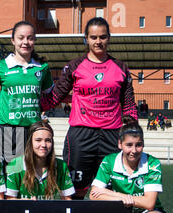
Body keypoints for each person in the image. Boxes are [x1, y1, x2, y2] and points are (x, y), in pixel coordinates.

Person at [41, 17, 138, 200]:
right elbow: (56, 96)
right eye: (93, 37)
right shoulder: (75, 66)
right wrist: (32, 102)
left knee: (111, 192)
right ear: (86, 38)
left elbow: (129, 104)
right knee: (74, 190)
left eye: (102, 37)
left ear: (109, 38)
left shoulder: (121, 68)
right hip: (81, 135)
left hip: (112, 135)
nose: (98, 41)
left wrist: (133, 130)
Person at [90, 117, 168, 213]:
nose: (134, 150)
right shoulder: (109, 161)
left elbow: (149, 203)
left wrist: (112, 193)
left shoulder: (152, 163)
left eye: (138, 145)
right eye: (129, 145)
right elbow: (94, 195)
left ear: (143, 145)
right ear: (120, 145)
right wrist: (121, 197)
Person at [0, 21, 54, 166]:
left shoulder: (42, 68)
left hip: (34, 130)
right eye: (21, 38)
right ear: (13, 40)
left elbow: (50, 96)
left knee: (31, 175)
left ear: (35, 40)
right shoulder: (1, 66)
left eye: (30, 38)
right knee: (6, 175)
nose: (25, 42)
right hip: (9, 129)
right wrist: (6, 102)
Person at [5, 121, 75, 200]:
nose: (43, 145)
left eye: (48, 140)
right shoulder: (15, 164)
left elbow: (67, 200)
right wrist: (22, 203)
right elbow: (10, 199)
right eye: (38, 140)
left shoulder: (61, 165)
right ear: (30, 142)